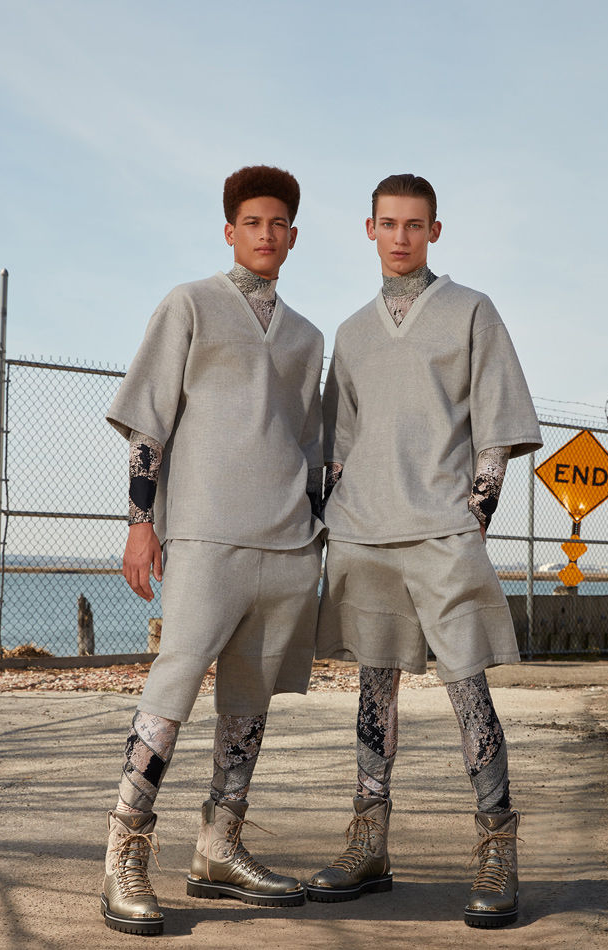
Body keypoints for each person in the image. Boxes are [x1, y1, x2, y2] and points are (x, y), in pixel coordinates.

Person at [307, 173, 542, 929]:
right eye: (389, 223)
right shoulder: (351, 332)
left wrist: (476, 514)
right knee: (373, 691)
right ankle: (368, 844)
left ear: (434, 231)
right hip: (364, 532)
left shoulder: (472, 311)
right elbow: (335, 447)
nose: (401, 237)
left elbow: (497, 427)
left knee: (468, 688)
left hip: (443, 530)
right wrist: (331, 517)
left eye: (415, 224)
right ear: (369, 229)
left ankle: (497, 847)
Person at [101, 165, 325, 936]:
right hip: (202, 532)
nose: (266, 234)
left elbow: (309, 445)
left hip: (287, 541)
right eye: (252, 222)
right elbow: (149, 422)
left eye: (279, 224)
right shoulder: (189, 303)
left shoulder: (307, 337)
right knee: (172, 687)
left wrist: (316, 530)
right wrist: (140, 523)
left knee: (247, 705)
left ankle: (219, 848)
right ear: (230, 230)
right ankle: (124, 853)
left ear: (292, 237)